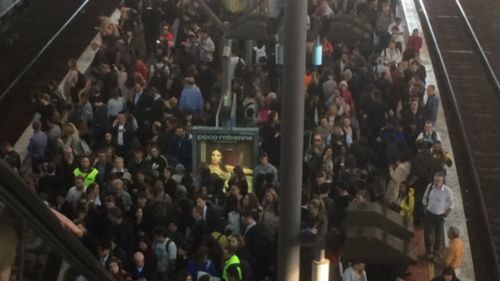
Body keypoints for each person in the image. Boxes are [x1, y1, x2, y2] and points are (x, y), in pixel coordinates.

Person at [422, 172, 453, 260]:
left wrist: (445, 214)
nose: (436, 182)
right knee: (427, 234)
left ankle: (436, 254)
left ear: (443, 181)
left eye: (439, 181)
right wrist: (425, 208)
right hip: (429, 214)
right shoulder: (430, 186)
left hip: (439, 216)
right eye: (435, 180)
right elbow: (425, 197)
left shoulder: (447, 191)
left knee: (438, 235)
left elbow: (451, 205)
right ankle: (428, 253)